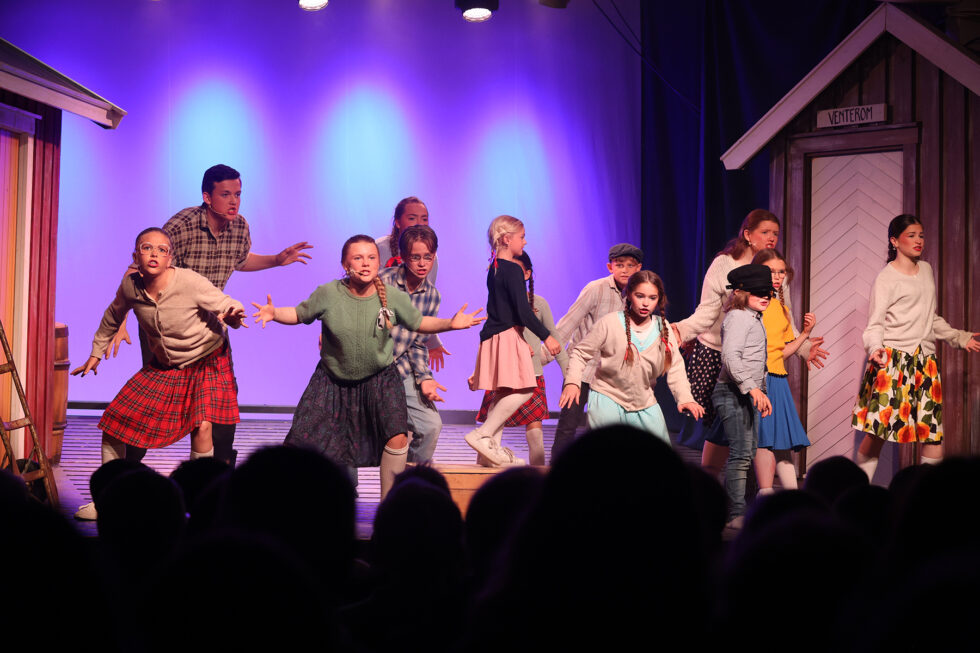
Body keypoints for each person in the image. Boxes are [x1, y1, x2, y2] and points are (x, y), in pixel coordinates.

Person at [107, 164, 313, 467]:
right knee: (154, 403)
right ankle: (126, 471)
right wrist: (120, 322)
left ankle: (218, 475)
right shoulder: (181, 226)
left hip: (211, 328)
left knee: (221, 404)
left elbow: (239, 261)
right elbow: (137, 270)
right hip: (169, 327)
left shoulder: (239, 226)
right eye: (226, 194)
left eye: (238, 194)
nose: (234, 201)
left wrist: (276, 260)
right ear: (207, 197)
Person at [251, 234, 485, 499]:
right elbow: (298, 313)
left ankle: (389, 505)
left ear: (378, 261)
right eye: (358, 258)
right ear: (345, 264)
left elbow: (418, 322)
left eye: (372, 257)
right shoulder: (328, 293)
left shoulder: (392, 297)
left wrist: (450, 323)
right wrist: (274, 313)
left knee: (397, 437)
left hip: (380, 380)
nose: (366, 263)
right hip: (332, 382)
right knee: (299, 441)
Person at [71, 228, 247, 517]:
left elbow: (226, 303)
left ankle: (199, 503)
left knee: (202, 425)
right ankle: (107, 500)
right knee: (115, 421)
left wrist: (234, 315)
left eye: (162, 250)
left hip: (207, 358)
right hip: (165, 365)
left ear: (170, 258)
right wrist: (96, 352)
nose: (154, 254)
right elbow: (113, 316)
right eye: (147, 248)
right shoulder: (130, 286)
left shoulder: (189, 281)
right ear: (135, 256)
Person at [672, 209, 827, 476]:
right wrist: (680, 331)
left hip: (756, 361)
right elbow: (707, 311)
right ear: (747, 234)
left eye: (775, 233)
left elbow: (785, 321)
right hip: (717, 353)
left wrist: (803, 347)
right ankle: (709, 483)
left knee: (749, 430)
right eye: (765, 232)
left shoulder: (775, 271)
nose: (771, 238)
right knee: (723, 428)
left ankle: (749, 491)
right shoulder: (725, 264)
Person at [851, 214, 979, 480]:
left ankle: (926, 497)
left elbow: (930, 318)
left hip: (925, 362)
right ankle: (858, 490)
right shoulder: (886, 278)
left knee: (931, 432)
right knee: (878, 432)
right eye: (911, 235)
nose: (918, 240)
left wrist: (959, 337)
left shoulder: (927, 270)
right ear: (895, 241)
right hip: (893, 361)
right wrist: (874, 348)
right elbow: (875, 324)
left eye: (921, 235)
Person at [559, 270, 704, 444]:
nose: (645, 303)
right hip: (607, 396)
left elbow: (676, 367)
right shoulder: (610, 323)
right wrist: (573, 382)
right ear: (628, 294)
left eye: (652, 298)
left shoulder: (662, 328)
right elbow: (580, 353)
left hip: (644, 401)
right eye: (639, 296)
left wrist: (685, 398)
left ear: (659, 299)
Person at [464, 216, 562, 467]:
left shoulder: (494, 267)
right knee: (526, 389)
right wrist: (546, 336)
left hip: (497, 334)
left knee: (502, 393)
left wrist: (520, 339)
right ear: (507, 239)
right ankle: (483, 434)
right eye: (522, 237)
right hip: (505, 334)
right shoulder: (512, 269)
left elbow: (505, 308)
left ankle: (489, 451)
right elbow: (523, 310)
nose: (525, 242)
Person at [548, 243, 643, 459]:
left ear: (639, 268)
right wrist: (541, 358)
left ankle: (593, 471)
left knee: (600, 427)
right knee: (569, 423)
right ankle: (557, 468)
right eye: (620, 265)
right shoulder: (596, 289)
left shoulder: (639, 295)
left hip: (610, 373)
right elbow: (568, 324)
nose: (625, 270)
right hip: (582, 368)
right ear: (610, 267)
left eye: (630, 265)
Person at [711, 264, 774, 527]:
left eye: (768, 292)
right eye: (758, 292)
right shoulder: (738, 317)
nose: (766, 297)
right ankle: (735, 513)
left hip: (745, 392)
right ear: (739, 292)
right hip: (732, 392)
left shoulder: (753, 317)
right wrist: (753, 388)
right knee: (740, 454)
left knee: (747, 453)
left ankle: (744, 510)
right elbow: (730, 357)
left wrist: (760, 390)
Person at [378, 225, 446, 464]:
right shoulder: (383, 281)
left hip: (401, 370)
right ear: (404, 257)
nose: (422, 263)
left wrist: (424, 377)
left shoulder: (432, 296)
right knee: (355, 430)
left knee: (431, 426)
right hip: (371, 369)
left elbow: (418, 342)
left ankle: (410, 479)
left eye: (428, 257)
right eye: (416, 257)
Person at [751, 249, 815, 493]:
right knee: (764, 439)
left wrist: (806, 335)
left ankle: (793, 497)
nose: (777, 277)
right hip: (759, 378)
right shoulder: (753, 304)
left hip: (778, 378)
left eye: (781, 272)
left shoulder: (781, 308)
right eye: (771, 272)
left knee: (781, 440)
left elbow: (782, 351)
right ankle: (764, 495)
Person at [376, 196, 450, 371]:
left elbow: (422, 303)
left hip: (405, 343)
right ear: (397, 222)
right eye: (412, 218)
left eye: (424, 219)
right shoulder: (378, 248)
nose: (419, 223)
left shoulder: (430, 260)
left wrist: (432, 342)